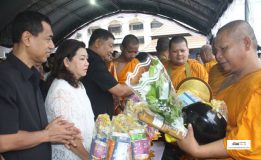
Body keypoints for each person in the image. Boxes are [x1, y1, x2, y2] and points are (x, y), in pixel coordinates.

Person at [0, 11, 79, 160]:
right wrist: (47, 134)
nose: (52, 46)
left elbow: (28, 129)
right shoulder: (4, 77)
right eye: (48, 39)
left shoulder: (32, 75)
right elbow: (3, 140)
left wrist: (54, 132)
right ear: (27, 38)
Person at [177, 20, 261, 160]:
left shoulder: (257, 85)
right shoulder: (229, 77)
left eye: (224, 49)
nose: (218, 56)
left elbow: (246, 143)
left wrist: (198, 151)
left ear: (246, 43)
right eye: (216, 51)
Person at [45, 39, 94, 160]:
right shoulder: (61, 91)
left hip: (84, 152)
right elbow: (69, 137)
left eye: (87, 59)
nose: (87, 63)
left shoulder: (78, 85)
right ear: (67, 62)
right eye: (82, 59)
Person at [81, 28, 132, 119]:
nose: (112, 50)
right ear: (98, 43)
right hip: (98, 119)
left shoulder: (92, 58)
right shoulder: (95, 62)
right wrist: (139, 86)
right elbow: (120, 91)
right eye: (110, 45)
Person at [107, 34, 140, 114]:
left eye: (135, 52)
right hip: (114, 106)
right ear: (122, 47)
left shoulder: (137, 64)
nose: (133, 55)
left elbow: (141, 86)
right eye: (129, 52)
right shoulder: (111, 65)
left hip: (133, 107)